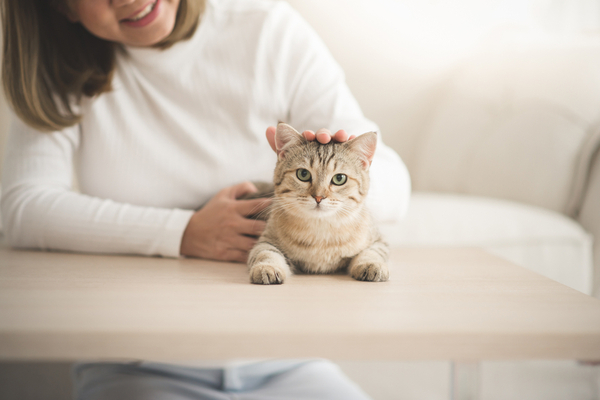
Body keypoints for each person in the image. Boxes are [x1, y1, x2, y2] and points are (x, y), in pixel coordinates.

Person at [1, 0, 411, 398]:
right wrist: (183, 232)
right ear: (61, 6)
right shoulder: (57, 67)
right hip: (135, 364)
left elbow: (395, 183)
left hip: (290, 362)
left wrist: (345, 175)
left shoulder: (269, 28)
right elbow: (20, 207)